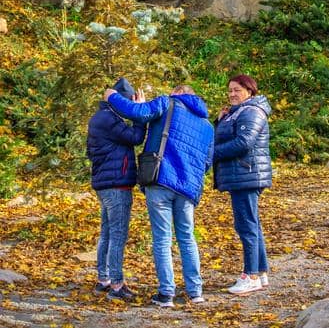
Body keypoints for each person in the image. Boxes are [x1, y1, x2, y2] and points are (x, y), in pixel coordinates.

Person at [104, 84, 215, 308]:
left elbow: (138, 113)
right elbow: (207, 163)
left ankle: (166, 294)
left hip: (161, 180)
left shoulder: (167, 103)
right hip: (188, 188)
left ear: (177, 93)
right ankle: (195, 292)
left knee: (162, 239)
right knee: (187, 237)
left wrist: (113, 97)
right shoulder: (207, 125)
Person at [212, 75, 272, 295]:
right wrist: (219, 122)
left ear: (250, 91)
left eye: (237, 90)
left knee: (246, 226)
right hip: (241, 174)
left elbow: (243, 143)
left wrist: (212, 154)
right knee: (251, 225)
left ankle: (251, 276)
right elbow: (223, 136)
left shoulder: (252, 112)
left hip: (246, 174)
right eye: (230, 90)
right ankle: (261, 272)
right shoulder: (237, 112)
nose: (232, 94)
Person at [86, 78, 145, 302]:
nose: (129, 106)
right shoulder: (110, 118)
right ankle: (117, 285)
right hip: (116, 184)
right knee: (118, 234)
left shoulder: (100, 117)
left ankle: (104, 279)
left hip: (105, 182)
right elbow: (136, 137)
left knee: (108, 232)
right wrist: (140, 112)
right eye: (128, 101)